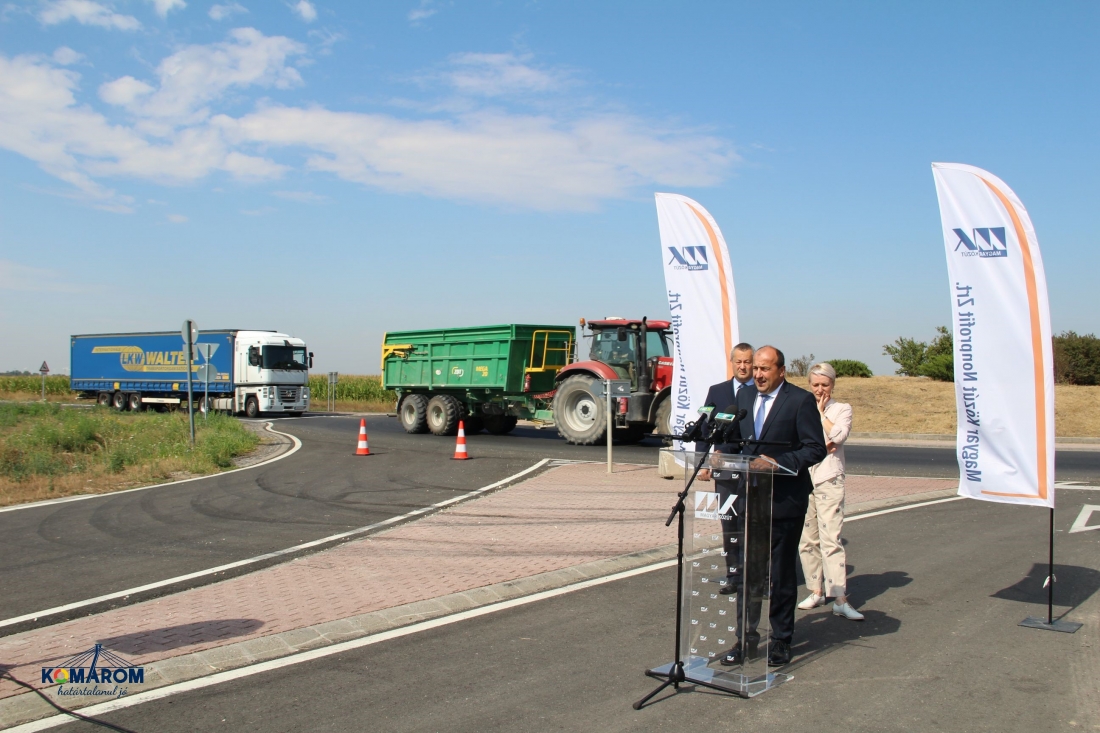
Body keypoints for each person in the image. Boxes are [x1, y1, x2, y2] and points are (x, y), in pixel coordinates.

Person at [719, 346, 827, 668]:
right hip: (750, 498)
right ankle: (745, 640)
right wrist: (720, 453)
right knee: (748, 575)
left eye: (765, 369)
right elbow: (736, 441)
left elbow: (815, 448)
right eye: (756, 369)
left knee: (780, 576)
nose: (758, 375)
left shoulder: (800, 401)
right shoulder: (744, 397)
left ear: (781, 371)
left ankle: (781, 639)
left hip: (784, 501)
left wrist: (778, 463)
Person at [797, 363, 864, 620]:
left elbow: (838, 435)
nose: (820, 389)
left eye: (825, 385)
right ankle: (815, 590)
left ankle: (839, 597)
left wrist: (821, 414)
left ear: (832, 385)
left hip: (829, 478)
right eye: (815, 385)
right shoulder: (801, 407)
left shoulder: (841, 409)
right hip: (805, 478)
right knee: (807, 539)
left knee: (831, 539)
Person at [694, 344, 756, 594]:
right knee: (729, 523)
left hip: (754, 468)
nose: (743, 366)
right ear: (732, 363)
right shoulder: (717, 391)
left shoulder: (761, 391)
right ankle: (733, 575)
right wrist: (703, 462)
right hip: (725, 467)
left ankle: (757, 576)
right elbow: (704, 428)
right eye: (738, 362)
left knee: (753, 523)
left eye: (747, 362)